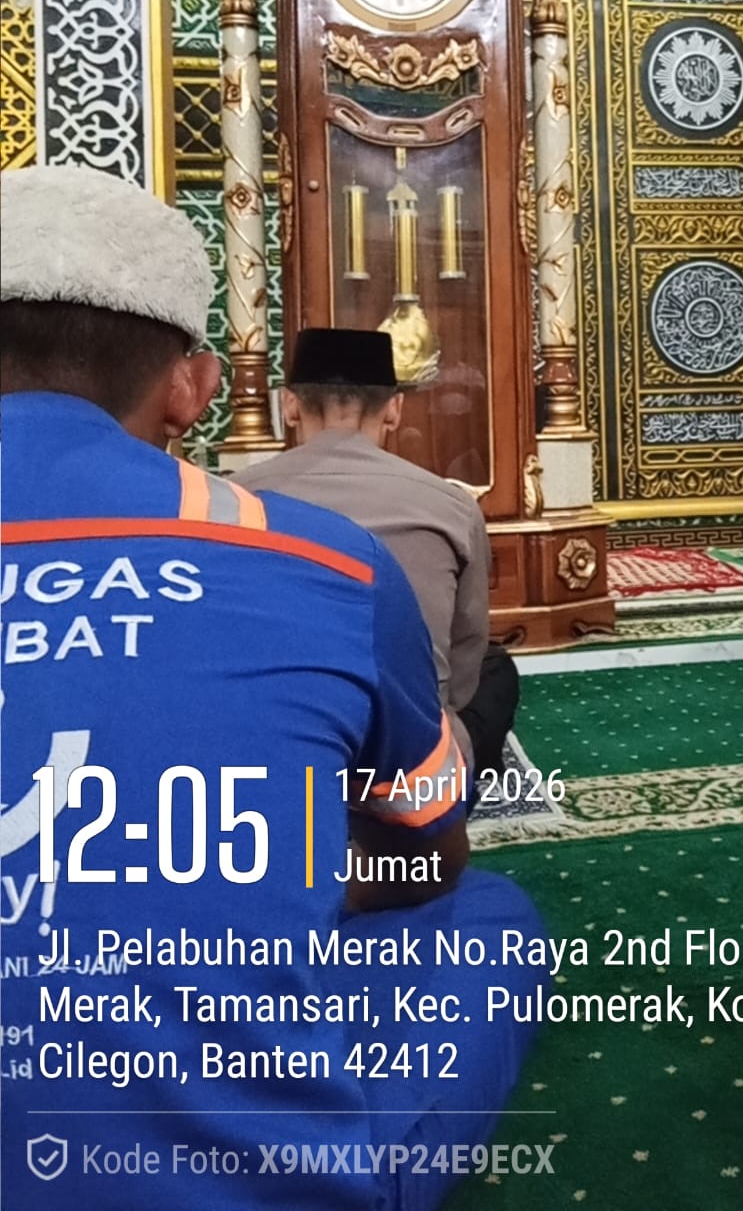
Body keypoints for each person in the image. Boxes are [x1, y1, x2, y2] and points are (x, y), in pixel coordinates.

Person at [0, 165, 545, 1211]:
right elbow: (430, 856)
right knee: (491, 914)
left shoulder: (275, 501)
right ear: (194, 386)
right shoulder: (320, 559)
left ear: (281, 404)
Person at [240, 328, 518, 776]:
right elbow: (465, 658)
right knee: (494, 669)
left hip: (278, 749)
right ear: (394, 409)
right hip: (410, 764)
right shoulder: (450, 506)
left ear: (289, 406)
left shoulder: (232, 499)